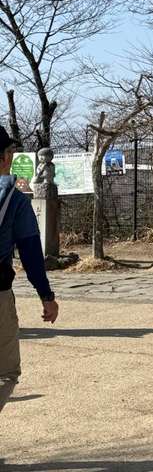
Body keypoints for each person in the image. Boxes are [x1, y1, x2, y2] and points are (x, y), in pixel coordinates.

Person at [0, 127, 58, 413]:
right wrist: (46, 296)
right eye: (10, 151)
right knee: (6, 373)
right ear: (5, 158)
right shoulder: (15, 200)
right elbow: (31, 253)